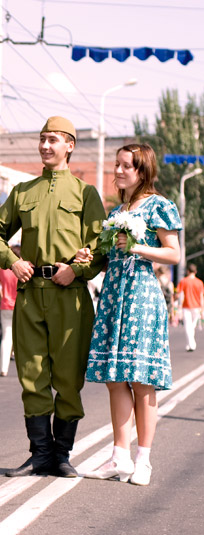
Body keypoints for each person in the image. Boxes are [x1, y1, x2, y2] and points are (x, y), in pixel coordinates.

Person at [0, 116, 106, 478]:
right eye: (42, 139)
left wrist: (78, 269)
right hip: (30, 294)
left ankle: (62, 455)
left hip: (70, 296)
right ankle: (40, 454)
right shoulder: (23, 192)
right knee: (33, 376)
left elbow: (100, 246)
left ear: (70, 145)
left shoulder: (86, 193)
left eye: (53, 140)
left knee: (68, 378)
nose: (45, 146)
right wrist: (12, 261)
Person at [80, 143, 181, 486]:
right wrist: (90, 257)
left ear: (142, 171)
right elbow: (110, 254)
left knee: (140, 379)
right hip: (113, 294)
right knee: (115, 377)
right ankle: (118, 457)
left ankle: (144, 460)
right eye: (117, 165)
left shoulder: (159, 205)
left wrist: (136, 246)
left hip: (140, 295)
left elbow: (173, 253)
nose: (118, 171)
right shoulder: (117, 209)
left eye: (126, 166)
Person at [0, 246, 20, 377]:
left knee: (6, 338)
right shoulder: (23, 267)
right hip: (19, 304)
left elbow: (0, 284)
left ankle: (3, 368)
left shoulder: (3, 269)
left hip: (5, 304)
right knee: (22, 337)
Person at [176, 263, 204, 352]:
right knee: (192, 326)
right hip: (197, 307)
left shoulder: (183, 281)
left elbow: (179, 295)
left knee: (188, 326)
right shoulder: (200, 282)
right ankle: (190, 344)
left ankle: (191, 345)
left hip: (186, 306)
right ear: (195, 272)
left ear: (188, 271)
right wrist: (202, 308)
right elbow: (201, 297)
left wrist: (178, 306)